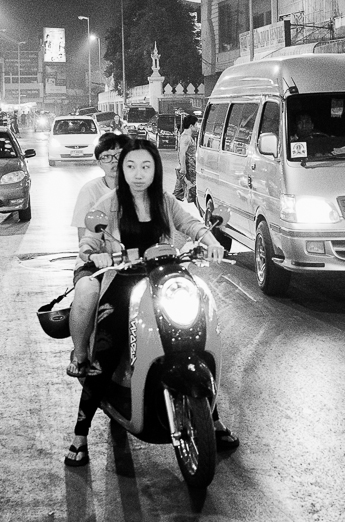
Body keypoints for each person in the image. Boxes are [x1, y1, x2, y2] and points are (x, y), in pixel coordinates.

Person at [65, 139, 239, 466]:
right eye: (131, 166)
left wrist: (210, 241)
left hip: (165, 279)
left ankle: (211, 418)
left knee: (197, 337)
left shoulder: (165, 201)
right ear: (122, 169)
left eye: (146, 166)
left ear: (156, 169)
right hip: (125, 281)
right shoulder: (109, 202)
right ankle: (80, 433)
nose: (138, 174)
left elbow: (192, 225)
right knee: (106, 351)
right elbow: (89, 240)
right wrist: (93, 253)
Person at [67, 132, 129, 378]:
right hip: (98, 263)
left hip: (137, 262)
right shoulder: (90, 191)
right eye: (107, 156)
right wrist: (98, 255)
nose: (114, 161)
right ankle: (80, 354)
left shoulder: (144, 189)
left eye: (119, 155)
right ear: (99, 162)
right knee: (88, 291)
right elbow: (85, 240)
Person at [173, 114, 198, 202]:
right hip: (189, 168)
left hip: (190, 166)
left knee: (181, 193)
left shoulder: (186, 136)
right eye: (196, 124)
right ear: (191, 126)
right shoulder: (186, 137)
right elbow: (182, 153)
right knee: (193, 192)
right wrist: (183, 168)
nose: (197, 126)